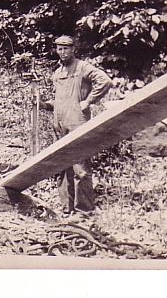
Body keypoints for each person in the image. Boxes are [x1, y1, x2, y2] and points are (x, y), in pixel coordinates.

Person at [43, 35, 111, 216]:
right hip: (59, 125)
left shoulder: (82, 67)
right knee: (62, 167)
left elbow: (105, 81)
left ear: (73, 49)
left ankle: (84, 210)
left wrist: (88, 101)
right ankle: (66, 209)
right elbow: (61, 99)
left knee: (80, 168)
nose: (63, 52)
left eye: (66, 48)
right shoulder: (57, 73)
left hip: (77, 123)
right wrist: (45, 105)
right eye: (59, 48)